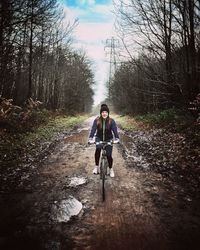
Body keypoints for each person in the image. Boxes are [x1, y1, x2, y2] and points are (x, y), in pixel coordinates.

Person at [88, 104, 120, 178]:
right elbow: (93, 129)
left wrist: (117, 138)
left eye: (106, 112)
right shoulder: (97, 120)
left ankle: (111, 169)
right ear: (101, 113)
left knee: (109, 155)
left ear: (108, 113)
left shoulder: (111, 121)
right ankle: (96, 167)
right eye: (103, 112)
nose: (104, 113)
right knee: (98, 149)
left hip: (109, 139)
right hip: (99, 138)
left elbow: (115, 130)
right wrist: (90, 138)